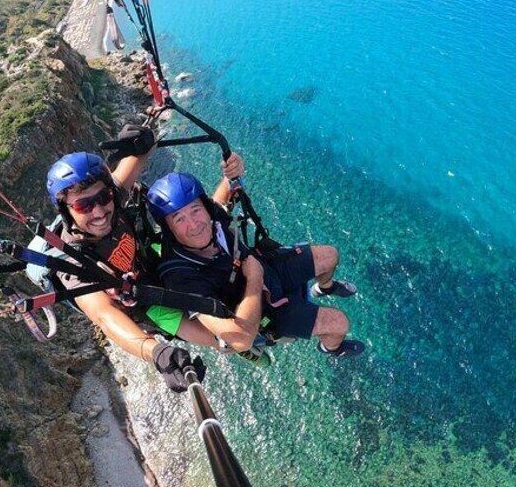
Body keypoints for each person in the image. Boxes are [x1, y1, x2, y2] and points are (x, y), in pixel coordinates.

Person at [43, 125, 247, 391]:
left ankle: (230, 185)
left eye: (103, 197)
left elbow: (142, 151)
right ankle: (234, 344)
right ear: (67, 210)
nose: (99, 211)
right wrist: (157, 353)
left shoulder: (113, 196)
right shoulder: (72, 261)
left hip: (156, 262)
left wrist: (142, 137)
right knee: (227, 338)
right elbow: (104, 315)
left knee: (197, 221)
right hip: (147, 302)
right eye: (84, 205)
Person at [146, 170, 365, 357]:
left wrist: (231, 173)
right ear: (169, 230)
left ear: (205, 208)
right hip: (261, 313)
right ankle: (332, 349)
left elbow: (222, 199)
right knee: (339, 324)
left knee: (330, 255)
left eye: (195, 210)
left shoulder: (214, 218)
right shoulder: (180, 277)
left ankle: (324, 288)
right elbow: (241, 340)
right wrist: (254, 277)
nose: (194, 225)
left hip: (267, 269)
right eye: (179, 219)